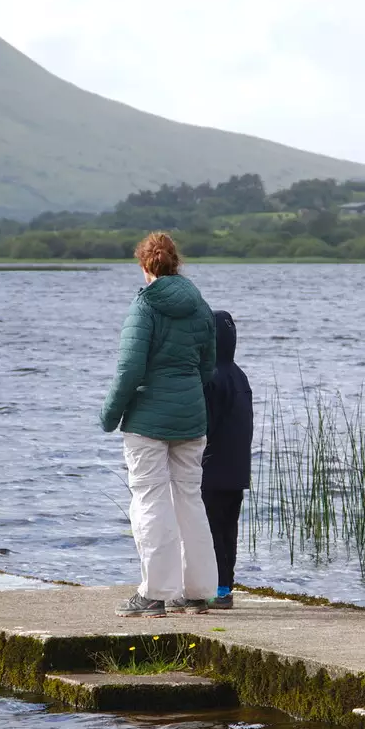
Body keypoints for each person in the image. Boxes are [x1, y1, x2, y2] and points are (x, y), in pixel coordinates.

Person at [100, 232, 218, 617]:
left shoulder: (144, 306)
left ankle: (153, 595)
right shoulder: (201, 307)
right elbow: (206, 366)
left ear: (144, 265)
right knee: (190, 498)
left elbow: (130, 368)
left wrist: (110, 414)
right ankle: (198, 591)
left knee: (150, 500)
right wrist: (185, 394)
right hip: (191, 417)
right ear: (176, 263)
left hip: (148, 419)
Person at [201, 311, 251, 610]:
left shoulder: (211, 377)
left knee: (211, 531)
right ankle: (225, 587)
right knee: (228, 530)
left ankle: (217, 590)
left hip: (213, 468)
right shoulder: (238, 373)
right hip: (237, 469)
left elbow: (206, 425)